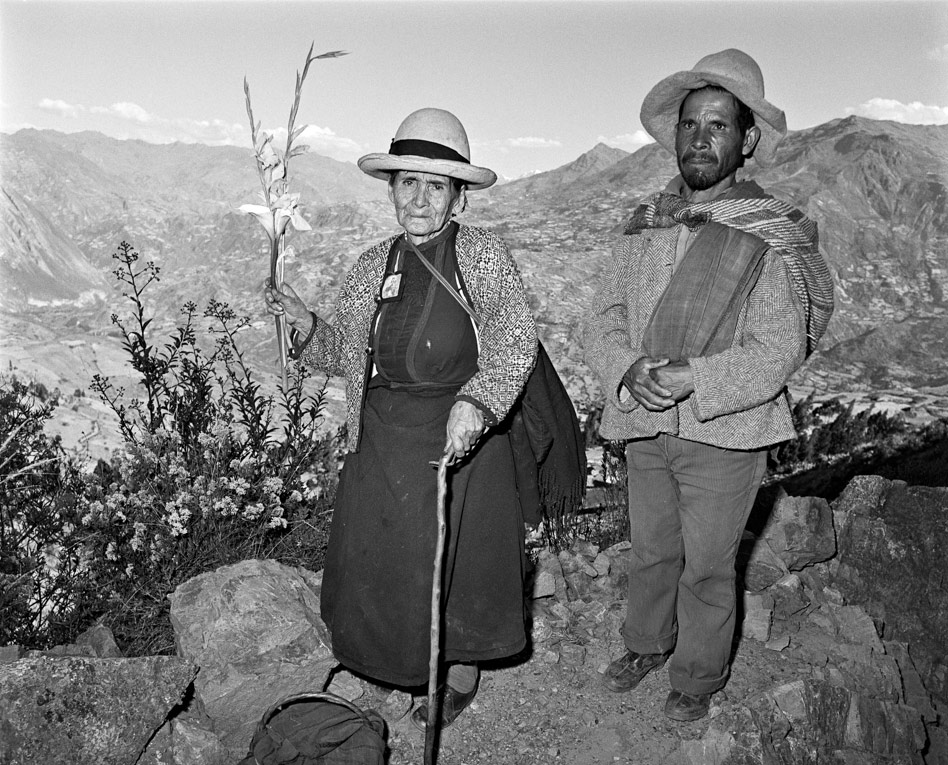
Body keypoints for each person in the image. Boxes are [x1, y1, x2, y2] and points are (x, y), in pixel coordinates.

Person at [265, 108, 538, 729]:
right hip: (384, 435)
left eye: (435, 186)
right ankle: (395, 660)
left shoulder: (481, 256)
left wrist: (477, 404)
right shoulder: (373, 264)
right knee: (387, 558)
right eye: (407, 182)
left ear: (458, 197)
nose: (419, 198)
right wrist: (305, 322)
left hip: (459, 432)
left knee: (455, 561)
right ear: (391, 189)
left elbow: (513, 339)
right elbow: (346, 352)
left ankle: (457, 670)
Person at [583, 49, 833, 722]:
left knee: (708, 565)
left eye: (718, 125)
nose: (700, 137)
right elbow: (601, 317)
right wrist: (627, 368)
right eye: (690, 123)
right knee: (652, 550)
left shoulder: (767, 236)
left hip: (726, 432)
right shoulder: (644, 224)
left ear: (746, 140)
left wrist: (696, 376)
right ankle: (646, 643)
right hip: (645, 422)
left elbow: (778, 348)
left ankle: (696, 676)